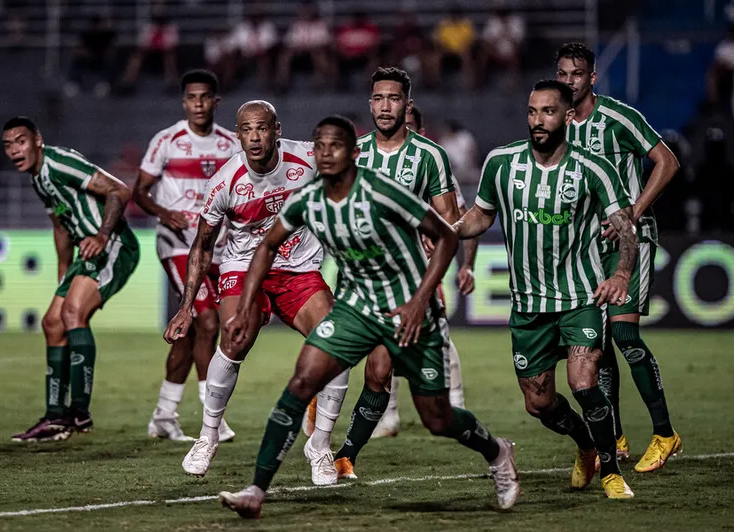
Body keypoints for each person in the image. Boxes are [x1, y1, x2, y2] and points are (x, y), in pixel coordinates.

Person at [217, 116, 519, 519]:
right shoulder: (307, 199)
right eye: (319, 146)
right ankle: (257, 489)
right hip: (356, 309)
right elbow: (266, 248)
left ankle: (497, 452)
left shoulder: (383, 192)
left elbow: (446, 235)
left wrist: (419, 300)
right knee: (302, 381)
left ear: (354, 154)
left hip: (409, 310)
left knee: (436, 417)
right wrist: (243, 307)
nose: (325, 154)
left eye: (335, 146)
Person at [454, 79, 639, 498]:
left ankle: (611, 472)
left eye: (548, 112)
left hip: (580, 297)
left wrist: (622, 274)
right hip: (529, 305)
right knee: (538, 402)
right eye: (532, 111)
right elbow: (480, 217)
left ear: (568, 116)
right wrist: (447, 231)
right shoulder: (501, 163)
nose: (538, 120)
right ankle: (586, 444)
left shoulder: (594, 168)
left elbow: (626, 225)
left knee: (584, 381)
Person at [163, 101, 349, 486]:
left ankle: (320, 445)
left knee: (339, 345)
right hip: (244, 269)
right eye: (246, 130)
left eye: (262, 128)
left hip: (297, 268)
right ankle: (208, 435)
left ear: (276, 129)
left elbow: (350, 183)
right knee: (235, 336)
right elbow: (202, 245)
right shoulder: (226, 181)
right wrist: (185, 307)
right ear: (238, 135)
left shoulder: (308, 160)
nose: (254, 137)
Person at [331, 69, 473, 459]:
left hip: (408, 287)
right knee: (348, 367)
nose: (385, 106)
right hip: (360, 282)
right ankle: (339, 455)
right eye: (378, 98)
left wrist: (436, 232)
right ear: (369, 103)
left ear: (407, 105)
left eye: (393, 98)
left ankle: (492, 448)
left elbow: (450, 221)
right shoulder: (353, 152)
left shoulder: (429, 156)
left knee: (424, 407)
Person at [557, 42, 682, 473]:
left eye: (576, 74)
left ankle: (665, 434)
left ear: (592, 78)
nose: (568, 81)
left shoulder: (618, 117)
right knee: (598, 344)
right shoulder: (559, 126)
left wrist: (635, 210)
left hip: (630, 240)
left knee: (626, 338)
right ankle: (616, 435)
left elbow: (666, 161)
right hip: (589, 247)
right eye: (562, 73)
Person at [2, 117, 139, 442]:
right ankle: (54, 416)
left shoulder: (60, 163)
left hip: (114, 246)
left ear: (37, 140)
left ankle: (79, 412)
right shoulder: (38, 178)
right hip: (87, 254)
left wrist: (103, 235)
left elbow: (119, 190)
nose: (13, 150)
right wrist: (64, 272)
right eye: (7, 145)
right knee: (52, 323)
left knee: (72, 314)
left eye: (20, 141)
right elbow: (61, 226)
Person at [134, 70, 239, 442]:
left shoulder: (231, 144)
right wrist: (165, 214)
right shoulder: (167, 140)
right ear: (184, 103)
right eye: (192, 97)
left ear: (216, 101)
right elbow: (140, 191)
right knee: (208, 322)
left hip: (217, 248)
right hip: (177, 244)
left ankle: (164, 415)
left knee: (188, 332)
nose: (198, 103)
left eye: (205, 97)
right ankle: (214, 417)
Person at [275, 3, 332, 93]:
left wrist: (310, 47)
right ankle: (282, 82)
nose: (306, 13)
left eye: (308, 11)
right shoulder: (296, 25)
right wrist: (298, 48)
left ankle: (320, 81)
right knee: (285, 55)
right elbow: (289, 42)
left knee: (319, 53)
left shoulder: (320, 25)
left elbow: (324, 42)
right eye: (304, 11)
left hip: (314, 53)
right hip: (299, 55)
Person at [64, 14, 117, 98]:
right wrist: (89, 53)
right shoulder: (85, 35)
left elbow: (111, 51)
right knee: (77, 61)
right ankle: (73, 83)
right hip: (87, 60)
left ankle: (103, 84)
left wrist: (97, 53)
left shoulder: (109, 35)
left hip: (101, 60)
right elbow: (77, 50)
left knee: (110, 62)